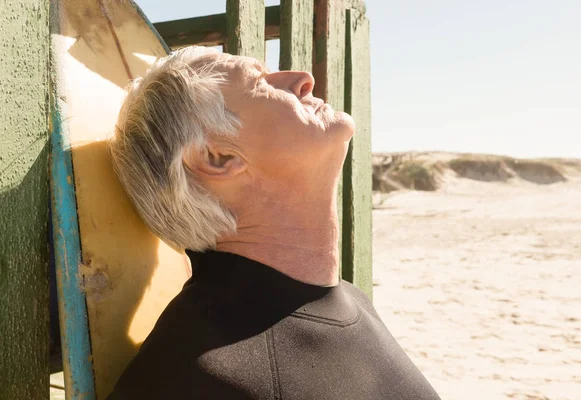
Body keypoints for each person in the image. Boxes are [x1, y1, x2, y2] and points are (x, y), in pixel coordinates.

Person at [107, 46, 440, 400]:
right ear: (218, 157)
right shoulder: (198, 376)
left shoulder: (347, 298)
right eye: (261, 82)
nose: (303, 80)